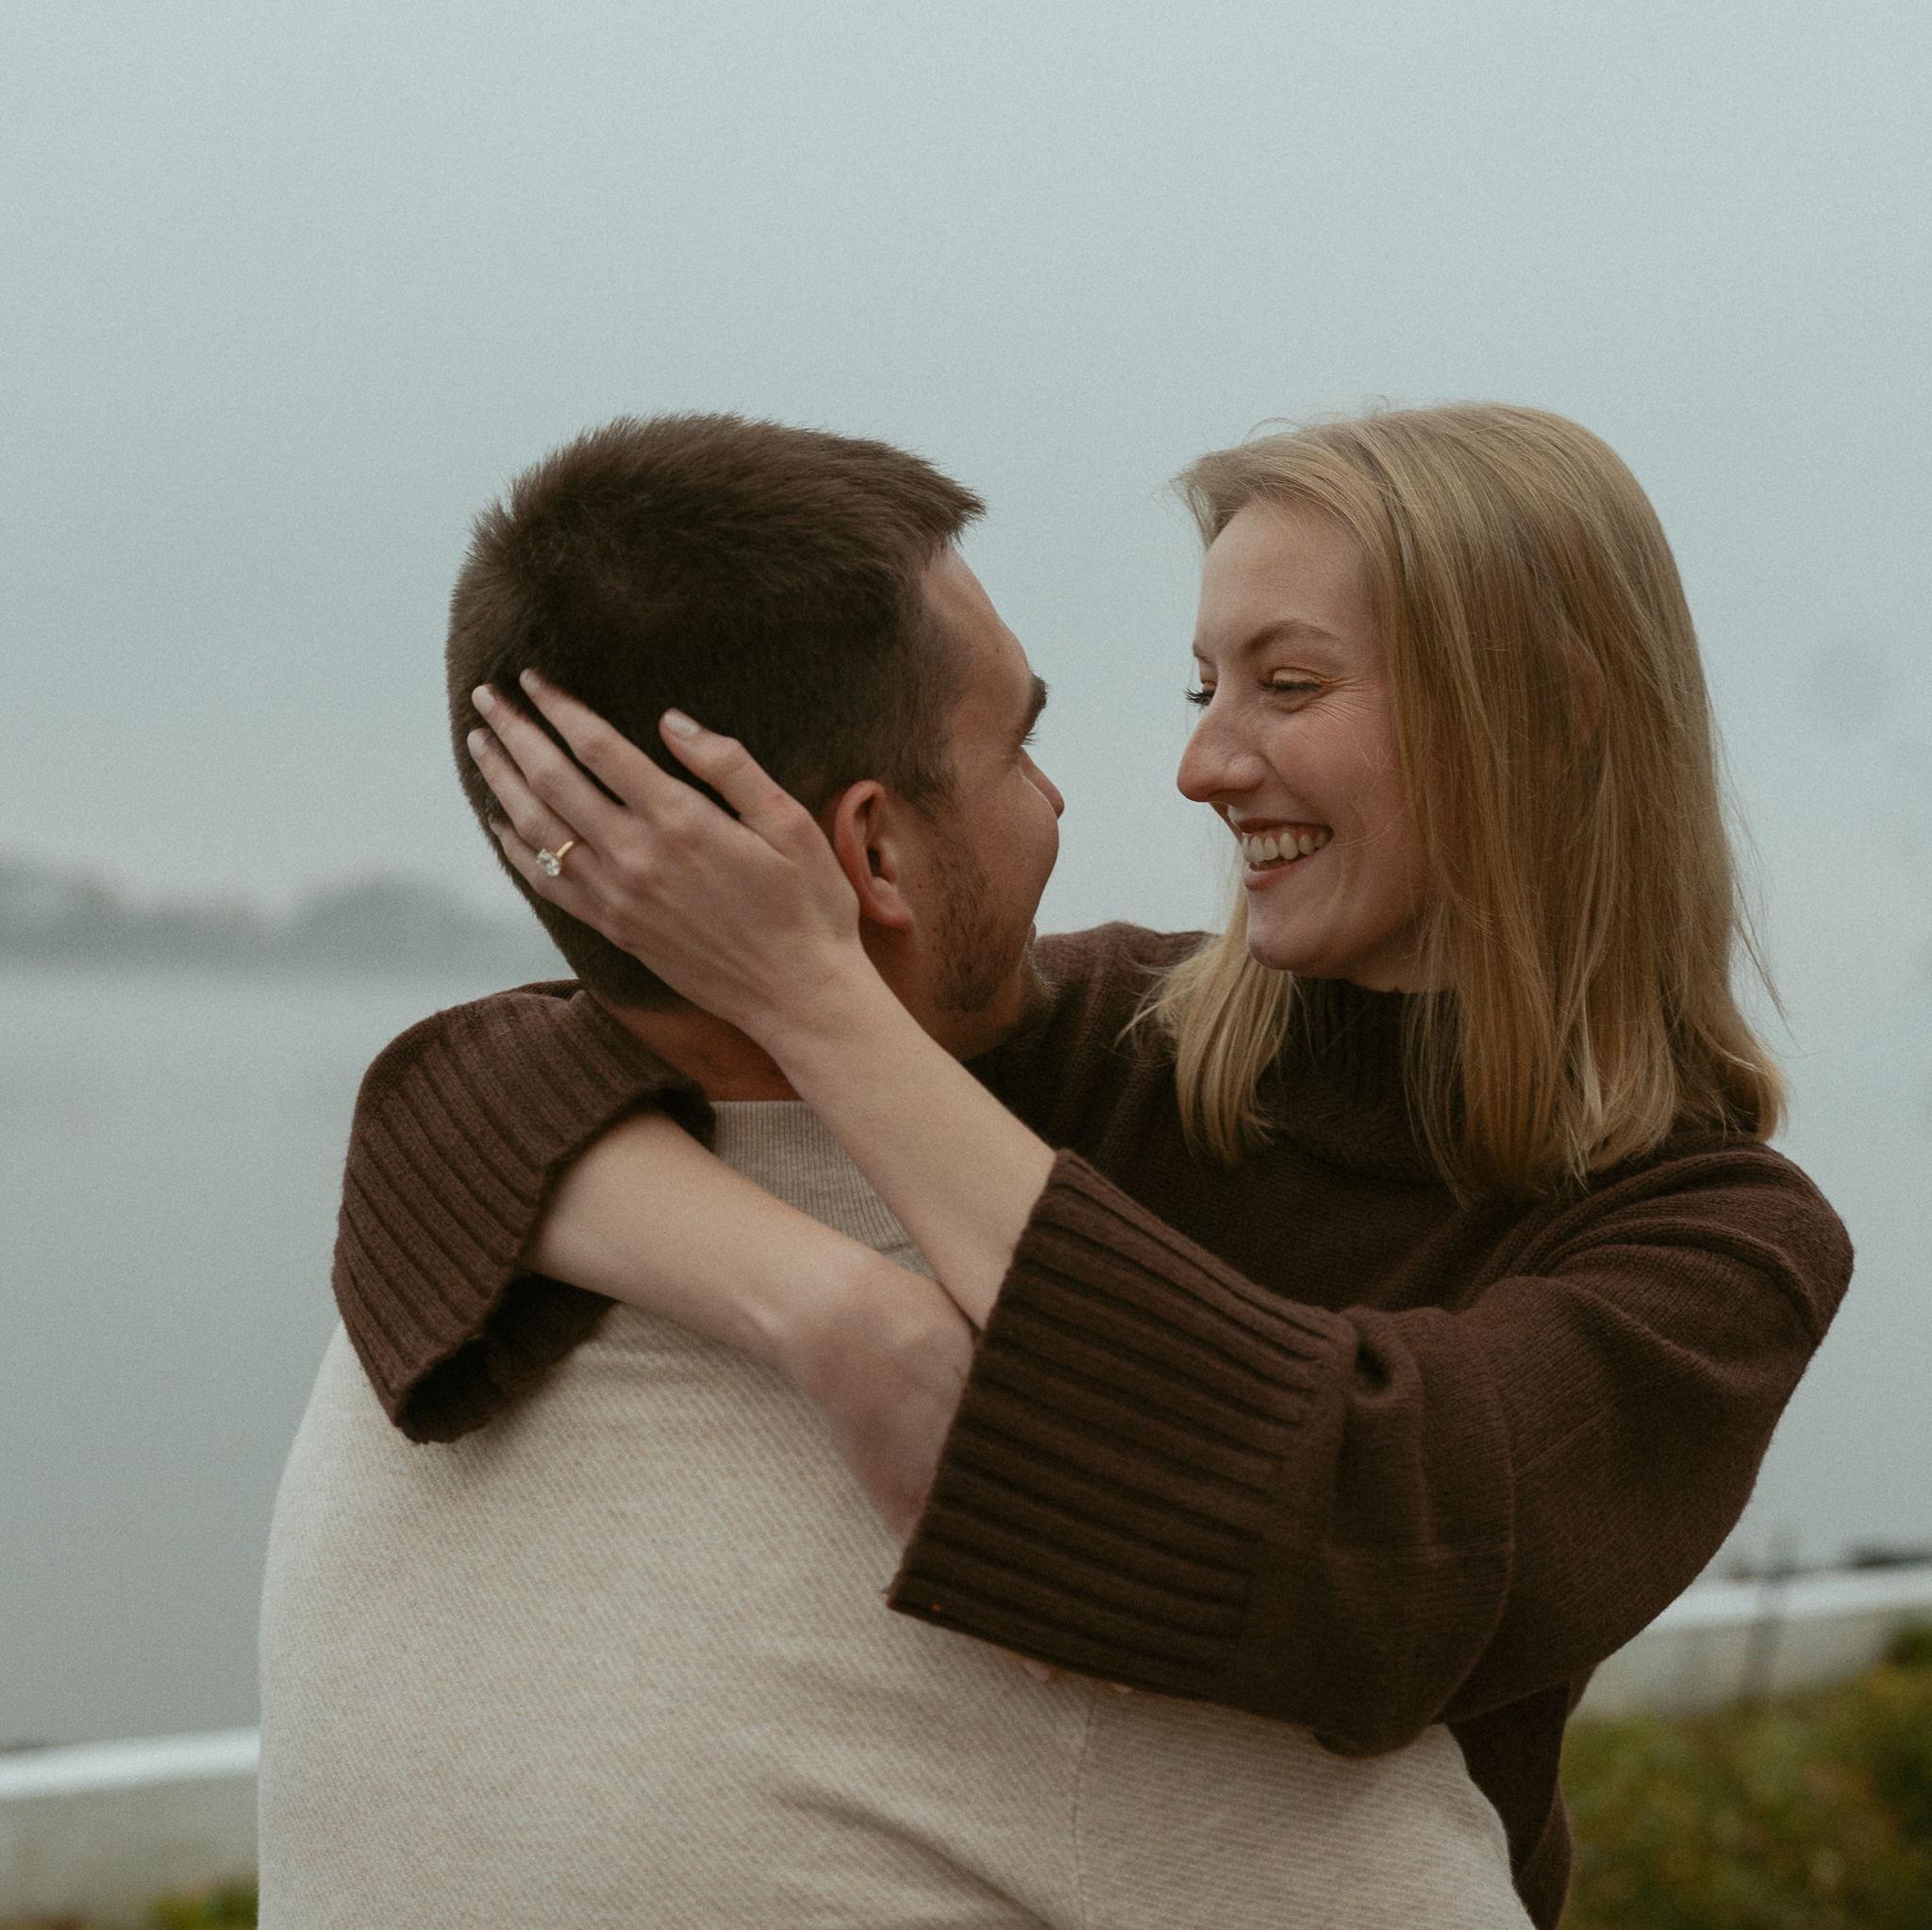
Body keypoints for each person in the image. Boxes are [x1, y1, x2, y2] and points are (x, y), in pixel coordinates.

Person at [258, 411, 1533, 1928]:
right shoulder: (1069, 1555)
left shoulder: (423, 1325)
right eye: (1021, 746)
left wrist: (826, 1255)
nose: (1075, 799)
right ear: (872, 853)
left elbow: (468, 1070)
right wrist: (854, 1311)